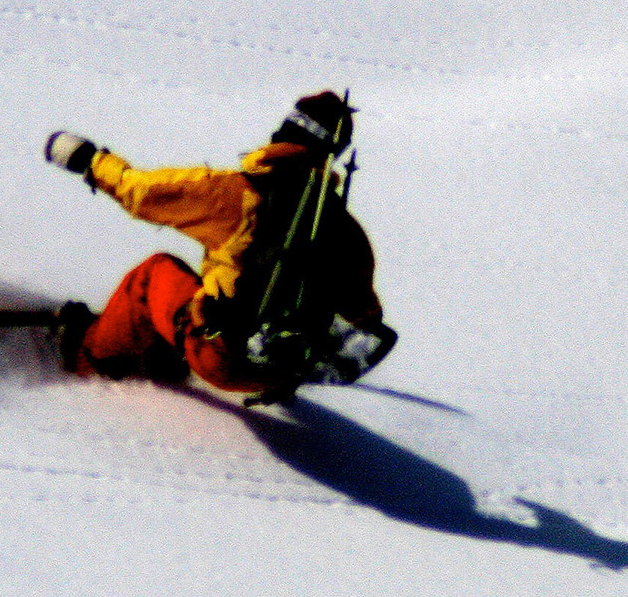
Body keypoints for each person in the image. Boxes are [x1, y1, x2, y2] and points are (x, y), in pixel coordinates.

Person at [43, 91, 389, 398]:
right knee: (209, 288)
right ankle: (166, 349)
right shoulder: (347, 232)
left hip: (220, 358)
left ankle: (85, 354)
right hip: (276, 373)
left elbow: (142, 192)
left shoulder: (239, 194)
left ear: (284, 134)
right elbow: (364, 317)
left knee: (153, 275)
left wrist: (88, 160)